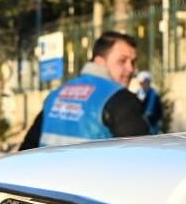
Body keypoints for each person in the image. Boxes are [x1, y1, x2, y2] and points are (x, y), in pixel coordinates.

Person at [18, 31, 151, 150]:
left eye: (133, 62)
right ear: (99, 62)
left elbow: (27, 150)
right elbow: (144, 157)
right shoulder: (121, 99)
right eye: (122, 61)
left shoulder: (56, 95)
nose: (131, 69)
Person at [131, 69, 165, 134]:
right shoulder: (138, 93)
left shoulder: (153, 94)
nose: (143, 84)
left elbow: (155, 111)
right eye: (141, 83)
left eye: (145, 82)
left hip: (152, 125)